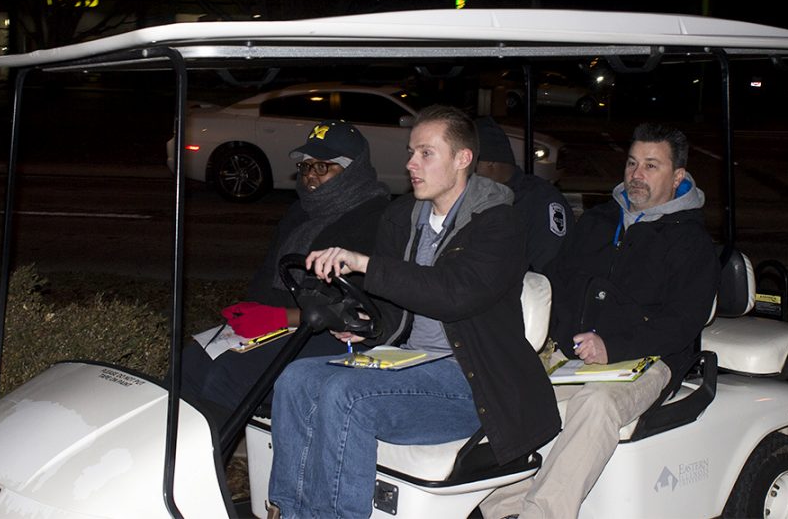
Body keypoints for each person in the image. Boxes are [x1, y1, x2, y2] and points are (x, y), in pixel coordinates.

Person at [266, 105, 561, 519]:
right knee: (296, 378)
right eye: (411, 152)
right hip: (412, 366)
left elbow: (453, 294)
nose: (410, 164)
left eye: (426, 153)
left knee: (344, 395)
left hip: (473, 383)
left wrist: (365, 262)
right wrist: (369, 327)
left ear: (462, 159)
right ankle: (293, 511)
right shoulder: (403, 217)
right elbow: (398, 309)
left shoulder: (500, 224)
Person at [479, 122, 720, 519]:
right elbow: (558, 281)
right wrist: (542, 339)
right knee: (508, 393)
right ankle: (495, 507)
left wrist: (615, 346)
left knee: (595, 404)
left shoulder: (689, 242)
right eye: (631, 163)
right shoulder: (597, 222)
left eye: (650, 166)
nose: (636, 175)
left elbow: (683, 321)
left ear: (678, 177)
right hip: (575, 353)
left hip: (648, 359)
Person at [180, 120, 391, 422]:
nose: (310, 178)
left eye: (323, 167)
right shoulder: (301, 212)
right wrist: (253, 311)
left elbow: (342, 304)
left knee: (230, 374)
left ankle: (209, 459)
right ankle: (174, 454)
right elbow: (267, 275)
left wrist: (277, 318)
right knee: (192, 361)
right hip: (289, 321)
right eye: (306, 167)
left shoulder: (375, 218)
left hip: (335, 333)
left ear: (353, 170)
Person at [474, 116, 575, 273]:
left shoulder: (541, 202)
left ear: (490, 163)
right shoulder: (479, 197)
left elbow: (546, 271)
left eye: (469, 166)